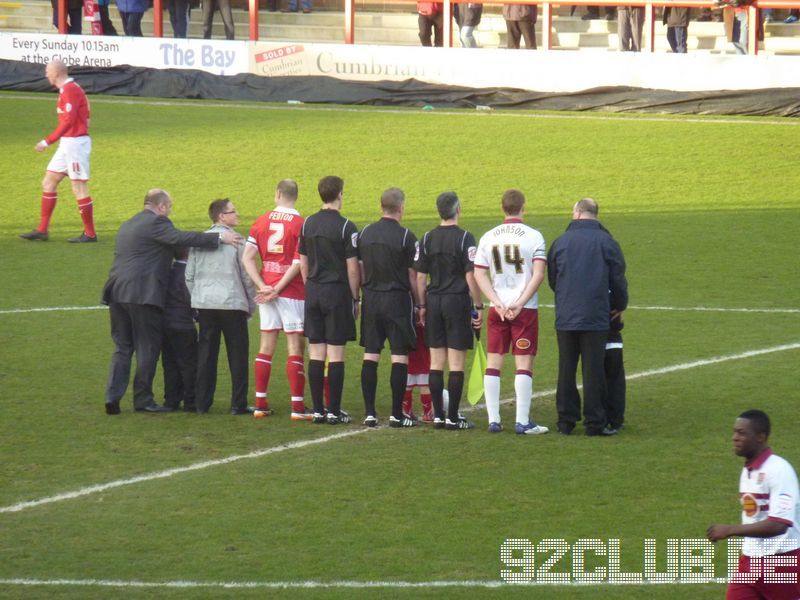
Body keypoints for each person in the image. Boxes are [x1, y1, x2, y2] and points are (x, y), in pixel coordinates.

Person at [102, 189, 241, 415]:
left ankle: (112, 397)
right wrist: (219, 237)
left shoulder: (127, 224)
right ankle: (142, 399)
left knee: (123, 347)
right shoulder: (157, 223)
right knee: (148, 347)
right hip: (143, 294)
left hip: (117, 292)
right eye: (170, 208)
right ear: (162, 206)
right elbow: (181, 238)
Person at [546, 198, 627, 436]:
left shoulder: (560, 242)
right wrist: (619, 305)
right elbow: (618, 280)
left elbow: (553, 279)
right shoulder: (607, 242)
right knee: (593, 371)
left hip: (566, 315)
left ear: (578, 213)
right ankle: (594, 422)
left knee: (566, 368)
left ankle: (566, 421)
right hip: (596, 315)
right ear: (595, 215)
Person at [473, 189, 549, 436]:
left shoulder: (488, 237)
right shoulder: (534, 236)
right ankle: (522, 421)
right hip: (524, 310)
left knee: (494, 363)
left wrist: (495, 301)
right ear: (523, 207)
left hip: (498, 309)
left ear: (502, 208)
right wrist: (519, 302)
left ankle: (494, 420)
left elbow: (479, 273)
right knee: (523, 364)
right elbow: (538, 274)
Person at [707, 410, 800, 598]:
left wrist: (730, 530)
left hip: (781, 561)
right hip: (750, 560)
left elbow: (778, 524)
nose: (735, 438)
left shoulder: (779, 471)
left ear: (760, 437)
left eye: (742, 433)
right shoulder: (749, 469)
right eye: (734, 432)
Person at [241, 179, 310, 420]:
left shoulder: (261, 221)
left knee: (266, 346)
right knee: (295, 347)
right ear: (295, 196)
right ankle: (298, 407)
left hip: (266, 290)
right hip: (292, 292)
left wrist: (264, 286)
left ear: (277, 193)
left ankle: (260, 403)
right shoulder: (301, 224)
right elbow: (298, 262)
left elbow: (247, 258)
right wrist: (278, 288)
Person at [415, 191, 483, 430]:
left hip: (434, 301)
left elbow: (421, 277)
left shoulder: (426, 238)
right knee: (456, 364)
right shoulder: (465, 238)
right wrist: (478, 304)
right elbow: (470, 275)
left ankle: (437, 415)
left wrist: (422, 305)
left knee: (435, 362)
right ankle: (453, 417)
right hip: (456, 302)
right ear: (458, 210)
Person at [299, 176, 360, 425]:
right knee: (335, 354)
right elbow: (353, 268)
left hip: (313, 290)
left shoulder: (307, 224)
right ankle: (333, 410)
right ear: (339, 195)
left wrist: (310, 286)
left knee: (316, 352)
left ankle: (317, 410)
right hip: (337, 292)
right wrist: (355, 298)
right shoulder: (346, 227)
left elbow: (303, 261)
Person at [186, 199, 256, 415]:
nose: (237, 215)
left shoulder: (200, 242)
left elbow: (189, 275)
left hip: (205, 304)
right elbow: (247, 276)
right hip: (232, 303)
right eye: (232, 212)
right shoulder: (237, 241)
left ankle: (202, 403)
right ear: (221, 217)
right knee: (238, 354)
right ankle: (238, 404)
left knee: (206, 354)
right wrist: (251, 303)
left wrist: (197, 297)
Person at [358, 188, 419, 428]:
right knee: (399, 356)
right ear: (401, 208)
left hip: (372, 298)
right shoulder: (406, 237)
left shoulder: (365, 233)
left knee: (371, 354)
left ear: (381, 206)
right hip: (397, 300)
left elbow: (360, 268)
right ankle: (396, 414)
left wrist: (361, 295)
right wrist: (420, 303)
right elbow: (412, 275)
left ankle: (370, 413)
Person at [21, 60, 96, 244]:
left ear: (56, 73)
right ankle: (42, 230)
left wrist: (47, 141)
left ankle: (90, 234)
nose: (46, 74)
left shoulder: (70, 89)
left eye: (47, 70)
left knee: (78, 187)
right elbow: (85, 112)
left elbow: (68, 121)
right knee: (49, 181)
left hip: (75, 145)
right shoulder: (70, 89)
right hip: (68, 143)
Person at [160, 247, 197, 412]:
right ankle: (190, 401)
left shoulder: (166, 271)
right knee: (188, 364)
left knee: (169, 363)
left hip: (165, 323)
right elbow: (191, 298)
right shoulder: (189, 273)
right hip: (183, 324)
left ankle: (171, 400)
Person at [404, 324, 434, 422]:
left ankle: (407, 412)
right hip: (421, 345)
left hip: (407, 339)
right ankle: (427, 413)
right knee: (424, 384)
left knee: (407, 383)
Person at [604, 310, 625, 431]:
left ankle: (599, 418)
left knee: (595, 377)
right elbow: (620, 296)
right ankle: (616, 419)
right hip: (611, 336)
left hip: (590, 335)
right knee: (615, 378)